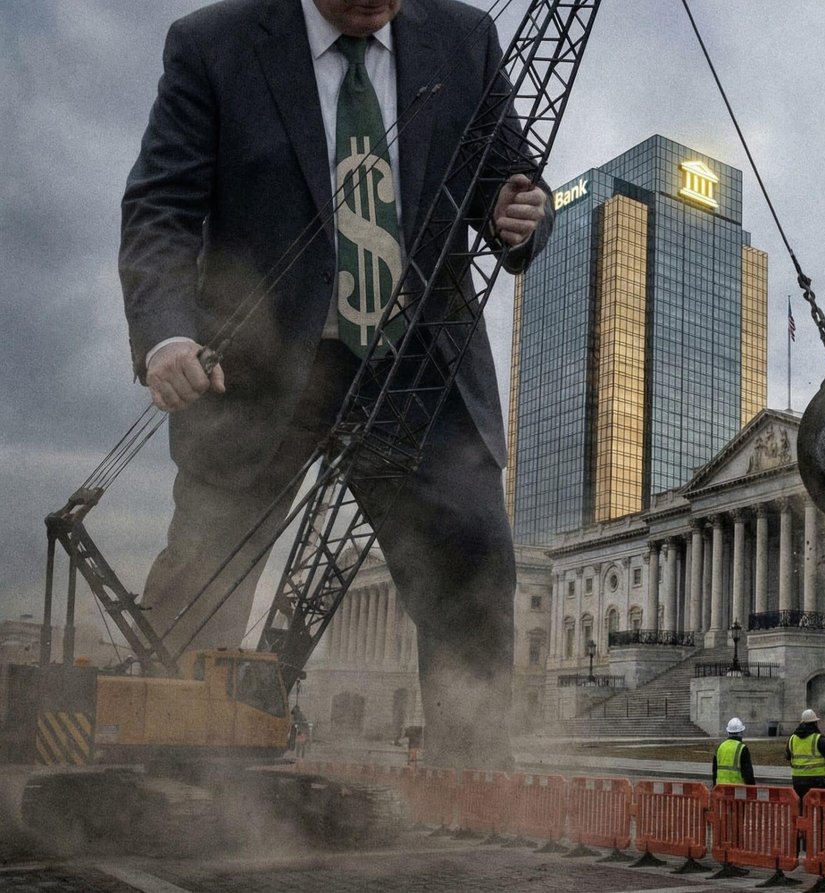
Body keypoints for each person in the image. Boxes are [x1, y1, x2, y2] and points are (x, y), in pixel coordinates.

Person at [120, 0, 552, 771]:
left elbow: (503, 177)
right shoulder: (211, 44)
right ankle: (172, 775)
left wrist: (520, 212)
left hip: (418, 362)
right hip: (260, 365)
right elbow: (163, 207)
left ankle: (474, 786)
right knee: (205, 565)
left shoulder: (464, 38)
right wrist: (166, 333)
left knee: (469, 565)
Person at [786, 708, 825, 799]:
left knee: (801, 807)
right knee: (820, 806)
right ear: (815, 723)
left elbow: (788, 756)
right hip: (817, 779)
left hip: (797, 779)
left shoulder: (792, 738)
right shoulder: (819, 738)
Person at [713, 717, 755, 786]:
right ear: (741, 732)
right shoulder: (742, 748)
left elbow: (714, 771)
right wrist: (752, 790)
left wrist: (715, 788)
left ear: (728, 732)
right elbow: (748, 773)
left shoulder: (720, 747)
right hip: (737, 790)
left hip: (720, 789)